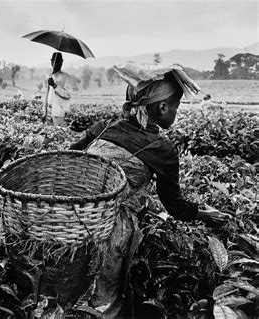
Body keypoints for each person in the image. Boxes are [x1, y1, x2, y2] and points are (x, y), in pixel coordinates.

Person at [69, 64, 230, 318]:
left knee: (69, 291)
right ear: (163, 108)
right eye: (176, 106)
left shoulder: (105, 126)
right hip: (112, 232)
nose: (176, 111)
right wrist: (205, 214)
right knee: (105, 303)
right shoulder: (161, 149)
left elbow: (70, 156)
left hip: (73, 218)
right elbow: (174, 205)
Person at [46, 52, 71, 125]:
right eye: (54, 61)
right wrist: (44, 111)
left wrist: (54, 85)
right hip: (48, 112)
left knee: (57, 132)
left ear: (62, 62)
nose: (56, 63)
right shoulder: (50, 76)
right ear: (51, 62)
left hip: (58, 112)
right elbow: (48, 95)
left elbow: (67, 95)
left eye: (58, 61)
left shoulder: (65, 77)